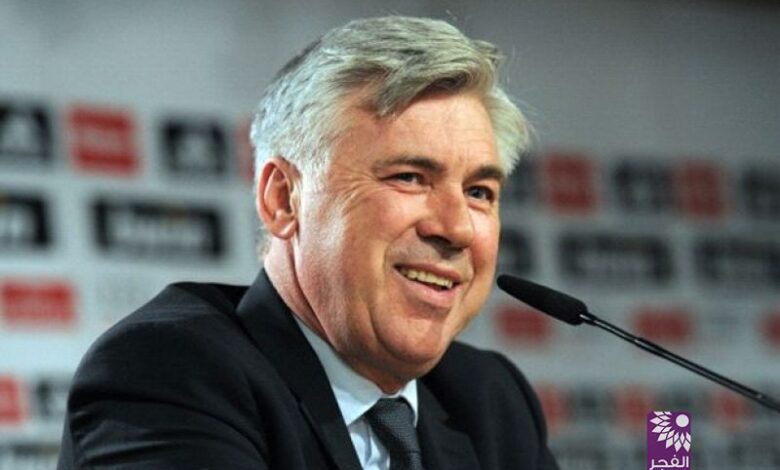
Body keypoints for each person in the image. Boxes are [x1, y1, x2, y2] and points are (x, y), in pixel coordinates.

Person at [58, 16, 559, 470]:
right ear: (283, 199)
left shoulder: (490, 401)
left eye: (479, 192)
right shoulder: (172, 371)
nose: (457, 229)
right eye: (409, 177)